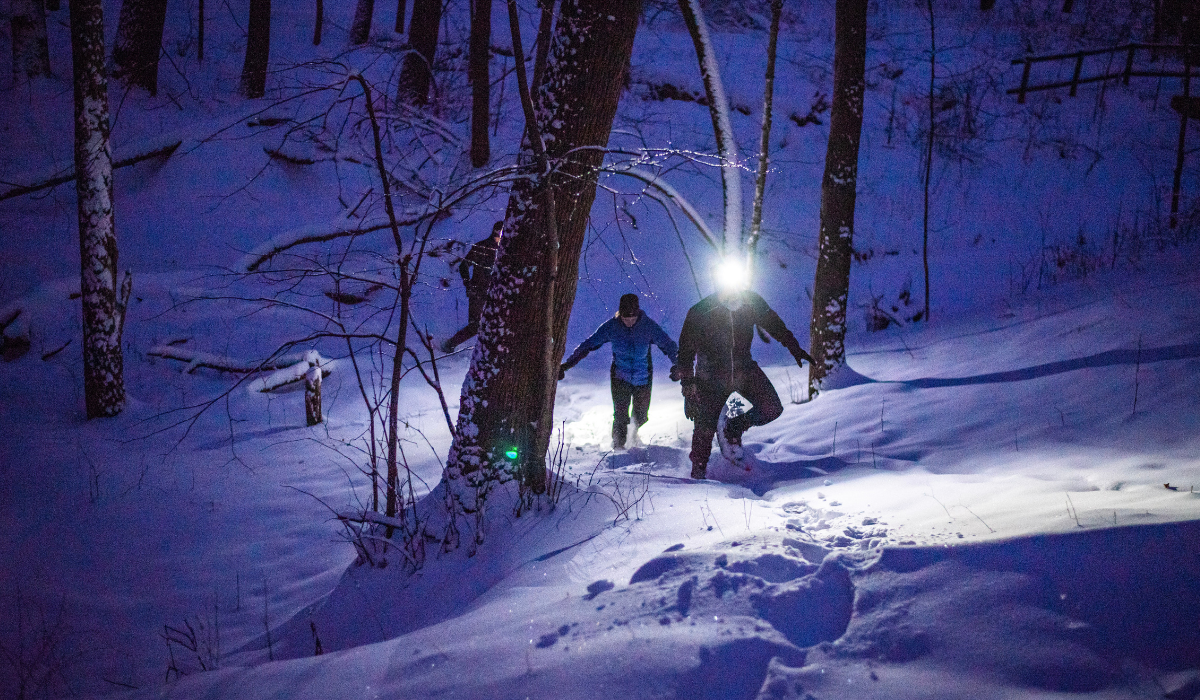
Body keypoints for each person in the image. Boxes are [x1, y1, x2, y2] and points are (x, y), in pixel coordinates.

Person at [676, 274, 813, 479]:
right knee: (704, 431)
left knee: (771, 407)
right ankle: (698, 478)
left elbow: (774, 324)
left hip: (744, 370)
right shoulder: (700, 311)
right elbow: (686, 351)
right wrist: (688, 385)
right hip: (710, 377)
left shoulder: (751, 302)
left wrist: (793, 346)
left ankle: (732, 429)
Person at [559, 293, 679, 450]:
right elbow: (588, 345)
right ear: (620, 314)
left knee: (641, 416)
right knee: (621, 414)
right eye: (625, 318)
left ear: (638, 314)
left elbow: (668, 345)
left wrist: (678, 365)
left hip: (643, 377)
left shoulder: (648, 327)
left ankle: (633, 436)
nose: (629, 321)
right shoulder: (612, 327)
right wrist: (567, 365)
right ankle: (618, 447)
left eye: (632, 318)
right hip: (619, 376)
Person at [441, 222, 503, 353]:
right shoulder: (482, 247)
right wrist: (468, 283)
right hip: (478, 292)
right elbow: (464, 265)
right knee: (475, 325)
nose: (500, 236)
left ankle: (489, 353)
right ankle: (449, 344)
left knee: (495, 324)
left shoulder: (503, 251)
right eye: (499, 233)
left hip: (494, 293)